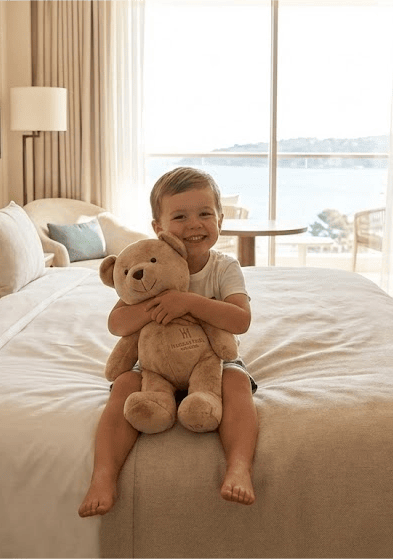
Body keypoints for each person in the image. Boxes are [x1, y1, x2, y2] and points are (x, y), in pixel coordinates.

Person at [78, 167, 258, 518]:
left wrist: (189, 302)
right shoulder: (147, 266)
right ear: (158, 228)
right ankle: (103, 475)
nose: (194, 224)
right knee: (125, 384)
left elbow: (241, 320)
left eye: (205, 214)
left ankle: (239, 466)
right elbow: (117, 323)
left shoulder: (224, 268)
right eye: (180, 216)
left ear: (220, 219)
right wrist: (153, 306)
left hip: (211, 364)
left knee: (236, 381)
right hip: (155, 367)